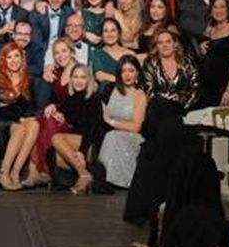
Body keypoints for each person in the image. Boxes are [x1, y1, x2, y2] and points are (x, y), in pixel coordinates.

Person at [43, 63, 101, 193]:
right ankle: (83, 171)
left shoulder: (94, 98)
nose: (78, 81)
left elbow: (91, 129)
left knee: (56, 138)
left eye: (83, 77)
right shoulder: (70, 99)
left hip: (89, 143)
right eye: (75, 77)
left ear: (88, 80)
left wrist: (82, 151)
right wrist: (56, 110)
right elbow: (62, 111)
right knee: (51, 154)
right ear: (71, 79)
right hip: (75, 143)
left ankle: (83, 174)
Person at [0, 43, 40, 190]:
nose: (13, 60)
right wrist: (19, 116)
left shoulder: (28, 80)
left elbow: (31, 108)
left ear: (22, 58)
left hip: (19, 122)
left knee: (35, 124)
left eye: (16, 56)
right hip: (0, 123)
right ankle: (3, 172)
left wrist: (22, 116)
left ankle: (15, 172)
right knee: (20, 128)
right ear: (3, 60)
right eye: (9, 57)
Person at [97, 55, 149, 188]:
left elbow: (137, 127)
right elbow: (104, 113)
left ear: (137, 73)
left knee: (111, 136)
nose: (127, 75)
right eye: (123, 71)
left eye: (131, 70)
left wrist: (111, 122)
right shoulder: (112, 90)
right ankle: (101, 177)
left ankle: (110, 180)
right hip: (112, 133)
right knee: (104, 135)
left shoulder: (139, 95)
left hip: (132, 137)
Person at [199, 0, 229, 106]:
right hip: (209, 87)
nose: (218, 10)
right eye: (215, 7)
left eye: (222, 7)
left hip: (225, 86)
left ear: (228, 10)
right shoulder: (210, 30)